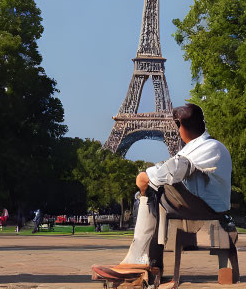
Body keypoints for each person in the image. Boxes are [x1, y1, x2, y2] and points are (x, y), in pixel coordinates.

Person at [91, 103, 232, 287]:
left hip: (205, 207)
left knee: (152, 189)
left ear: (181, 127)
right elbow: (173, 167)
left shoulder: (209, 147)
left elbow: (175, 168)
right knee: (154, 190)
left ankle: (139, 260)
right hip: (200, 204)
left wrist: (145, 176)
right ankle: (145, 263)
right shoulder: (204, 146)